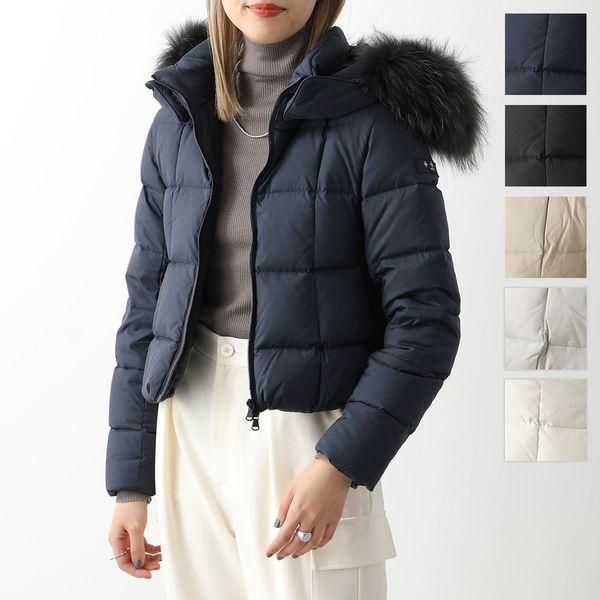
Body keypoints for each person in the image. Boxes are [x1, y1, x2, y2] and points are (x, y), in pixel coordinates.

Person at [106, 1, 483, 598]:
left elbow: (425, 320)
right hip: (188, 421)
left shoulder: (372, 120)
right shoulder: (181, 114)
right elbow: (146, 309)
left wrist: (339, 463)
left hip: (307, 434)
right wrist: (131, 481)